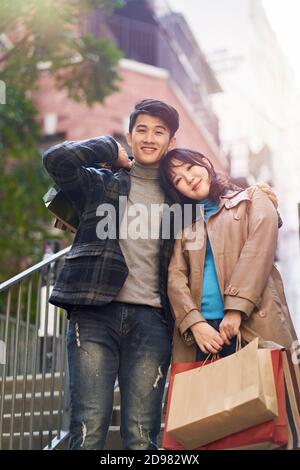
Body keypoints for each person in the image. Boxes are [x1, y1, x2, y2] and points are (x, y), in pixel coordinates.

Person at [42, 99, 179, 450]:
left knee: (142, 437)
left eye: (159, 132)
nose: (150, 138)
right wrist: (108, 148)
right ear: (130, 136)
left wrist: (259, 194)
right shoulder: (101, 183)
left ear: (170, 142)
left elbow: (220, 201)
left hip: (152, 320)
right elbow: (56, 160)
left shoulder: (180, 198)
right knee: (88, 431)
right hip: (93, 313)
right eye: (142, 130)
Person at [159, 148, 298, 364]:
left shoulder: (254, 198)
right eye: (178, 180)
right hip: (203, 336)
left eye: (189, 167)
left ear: (204, 161)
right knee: (204, 398)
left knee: (269, 395)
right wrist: (195, 323)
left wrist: (235, 310)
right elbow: (175, 279)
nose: (188, 178)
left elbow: (258, 254)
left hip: (252, 322)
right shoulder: (185, 228)